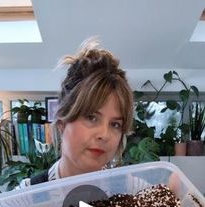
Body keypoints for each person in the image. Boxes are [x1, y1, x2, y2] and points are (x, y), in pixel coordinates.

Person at [18, 38, 148, 193]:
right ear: (62, 123)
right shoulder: (24, 198)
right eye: (91, 117)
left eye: (115, 124)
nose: (104, 135)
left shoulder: (136, 192)